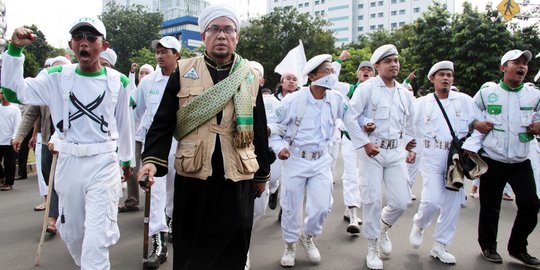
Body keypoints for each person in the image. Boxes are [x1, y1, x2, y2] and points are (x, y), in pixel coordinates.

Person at [138, 4, 271, 269]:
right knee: (192, 250)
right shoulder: (184, 71)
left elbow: (258, 129)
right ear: (203, 36)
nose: (221, 35)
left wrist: (262, 175)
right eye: (214, 29)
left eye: (228, 30)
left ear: (236, 37)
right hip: (194, 176)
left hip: (237, 176)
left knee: (234, 247)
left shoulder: (249, 76)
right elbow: (162, 122)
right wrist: (151, 160)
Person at [2, 16, 132, 269]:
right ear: (71, 45)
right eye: (78, 37)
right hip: (69, 163)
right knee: (72, 234)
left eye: (91, 38)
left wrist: (126, 159)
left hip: (103, 163)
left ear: (103, 46)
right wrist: (14, 50)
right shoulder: (56, 76)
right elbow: (13, 92)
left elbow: (124, 124)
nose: (84, 42)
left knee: (96, 238)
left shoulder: (119, 82)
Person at [462, 49, 540, 267]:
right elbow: (469, 114)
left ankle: (517, 247)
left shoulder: (534, 95)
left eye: (524, 63)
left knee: (531, 204)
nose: (522, 66)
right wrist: (476, 124)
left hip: (520, 160)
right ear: (503, 67)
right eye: (516, 62)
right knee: (490, 207)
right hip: (493, 159)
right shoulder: (487, 93)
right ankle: (488, 246)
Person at [343, 44, 416, 270]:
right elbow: (349, 117)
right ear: (377, 66)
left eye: (395, 60)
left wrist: (411, 147)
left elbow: (411, 124)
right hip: (372, 151)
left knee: (402, 200)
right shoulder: (366, 88)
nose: (394, 64)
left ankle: (384, 227)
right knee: (372, 199)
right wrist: (364, 143)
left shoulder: (405, 93)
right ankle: (372, 246)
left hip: (395, 152)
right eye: (388, 61)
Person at [269, 54, 345, 267]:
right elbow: (275, 129)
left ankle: (308, 236)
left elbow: (351, 119)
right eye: (326, 72)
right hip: (295, 159)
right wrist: (280, 148)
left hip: (321, 160)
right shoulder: (293, 100)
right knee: (291, 206)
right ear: (312, 76)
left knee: (323, 206)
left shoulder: (336, 99)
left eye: (332, 71)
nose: (331, 76)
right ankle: (290, 244)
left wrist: (365, 132)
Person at [408, 61, 483, 264]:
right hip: (432, 155)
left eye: (449, 75)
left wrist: (472, 146)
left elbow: (478, 126)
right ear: (432, 79)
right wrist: (411, 150)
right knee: (431, 200)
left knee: (452, 204)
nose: (446, 78)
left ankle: (440, 245)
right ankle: (420, 223)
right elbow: (409, 128)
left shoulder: (465, 101)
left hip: (456, 158)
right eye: (441, 74)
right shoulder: (421, 104)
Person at [133, 35, 181, 268]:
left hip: (180, 143)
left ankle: (170, 221)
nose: (160, 55)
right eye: (158, 51)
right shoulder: (147, 82)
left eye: (166, 51)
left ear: (177, 55)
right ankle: (158, 243)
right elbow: (137, 112)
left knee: (174, 191)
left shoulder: (186, 78)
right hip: (155, 146)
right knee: (155, 193)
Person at [333, 60, 375, 234]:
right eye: (363, 70)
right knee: (352, 176)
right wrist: (339, 61)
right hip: (350, 139)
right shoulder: (348, 89)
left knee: (364, 177)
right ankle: (353, 215)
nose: (366, 72)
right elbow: (330, 79)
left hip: (371, 142)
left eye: (369, 70)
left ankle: (349, 208)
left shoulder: (378, 92)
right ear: (357, 74)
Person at [0, 90, 21, 191]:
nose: (1, 95)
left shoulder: (15, 109)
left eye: (2, 93)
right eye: (0, 93)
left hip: (9, 141)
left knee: (9, 164)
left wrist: (14, 138)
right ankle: (1, 178)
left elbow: (18, 125)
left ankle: (8, 182)